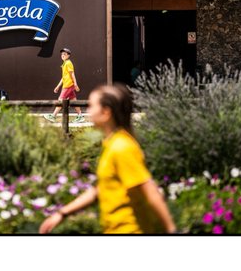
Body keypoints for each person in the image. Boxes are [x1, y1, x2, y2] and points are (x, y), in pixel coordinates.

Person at [40, 84, 177, 234]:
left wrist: (171, 231)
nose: (88, 111)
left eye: (92, 106)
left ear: (106, 112)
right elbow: (100, 190)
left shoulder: (122, 147)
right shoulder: (112, 144)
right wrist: (62, 214)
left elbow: (150, 190)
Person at [49, 47, 82, 133]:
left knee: (61, 100)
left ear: (68, 55)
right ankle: (80, 116)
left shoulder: (68, 63)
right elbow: (63, 77)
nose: (62, 55)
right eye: (62, 54)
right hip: (66, 84)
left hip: (68, 85)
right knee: (74, 100)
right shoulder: (64, 64)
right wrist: (58, 86)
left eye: (64, 54)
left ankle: (53, 116)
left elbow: (72, 74)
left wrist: (75, 84)